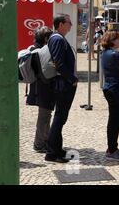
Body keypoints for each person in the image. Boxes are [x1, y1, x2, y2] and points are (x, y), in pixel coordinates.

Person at [45, 14, 78, 163]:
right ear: (60, 24)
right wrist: (71, 79)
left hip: (62, 83)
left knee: (61, 118)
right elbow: (59, 63)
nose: (71, 25)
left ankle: (56, 148)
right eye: (69, 22)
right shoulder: (57, 39)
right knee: (59, 118)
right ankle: (52, 152)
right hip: (63, 84)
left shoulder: (57, 38)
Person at [101, 31, 119, 161]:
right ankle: (112, 150)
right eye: (118, 39)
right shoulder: (116, 55)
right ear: (113, 40)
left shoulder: (105, 53)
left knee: (113, 119)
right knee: (115, 121)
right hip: (117, 89)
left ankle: (112, 147)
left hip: (109, 88)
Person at [26, 26, 54, 153]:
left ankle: (45, 140)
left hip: (37, 87)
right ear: (46, 38)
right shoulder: (41, 51)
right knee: (44, 116)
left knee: (46, 115)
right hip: (43, 88)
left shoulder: (34, 49)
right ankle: (39, 144)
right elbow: (43, 72)